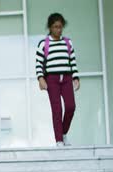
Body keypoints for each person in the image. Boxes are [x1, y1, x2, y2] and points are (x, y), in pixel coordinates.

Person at [36, 12, 80, 147]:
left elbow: (72, 61)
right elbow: (38, 63)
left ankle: (64, 132)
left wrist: (76, 77)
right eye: (55, 27)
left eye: (60, 27)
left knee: (71, 107)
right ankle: (59, 140)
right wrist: (40, 78)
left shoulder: (68, 42)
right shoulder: (44, 43)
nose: (58, 30)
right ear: (50, 27)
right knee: (57, 109)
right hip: (52, 79)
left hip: (66, 78)